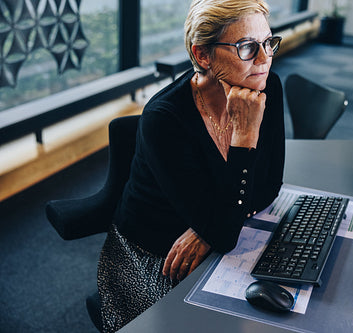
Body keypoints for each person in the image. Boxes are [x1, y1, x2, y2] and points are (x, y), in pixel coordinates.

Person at [97, 0, 285, 331]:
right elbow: (226, 231)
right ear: (202, 55)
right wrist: (244, 136)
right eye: (247, 47)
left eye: (268, 42)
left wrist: (209, 228)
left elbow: (270, 186)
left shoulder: (268, 88)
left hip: (212, 236)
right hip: (154, 251)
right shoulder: (163, 119)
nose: (264, 59)